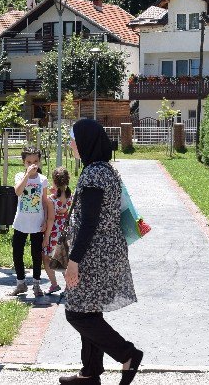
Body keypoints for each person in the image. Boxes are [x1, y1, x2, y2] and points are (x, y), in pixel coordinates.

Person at [60, 119, 142, 385]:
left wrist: (74, 261)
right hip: (105, 252)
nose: (71, 143)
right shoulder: (104, 169)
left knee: (76, 312)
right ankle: (90, 372)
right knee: (89, 311)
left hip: (95, 256)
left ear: (85, 142)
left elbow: (89, 223)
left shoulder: (94, 174)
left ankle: (127, 354)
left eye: (73, 138)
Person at [11, 145, 48, 297]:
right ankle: (21, 283)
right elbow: (18, 191)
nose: (32, 164)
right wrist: (27, 175)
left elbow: (44, 202)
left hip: (37, 223)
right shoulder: (20, 176)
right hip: (21, 222)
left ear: (39, 162)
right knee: (17, 252)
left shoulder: (43, 179)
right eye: (28, 162)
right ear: (23, 162)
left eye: (35, 161)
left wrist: (45, 220)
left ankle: (37, 284)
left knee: (36, 254)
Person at [42, 166, 73, 295]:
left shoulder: (51, 199)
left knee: (46, 258)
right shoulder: (71, 196)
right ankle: (69, 287)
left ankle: (54, 284)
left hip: (54, 232)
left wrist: (46, 238)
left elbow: (50, 219)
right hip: (67, 231)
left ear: (54, 181)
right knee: (65, 259)